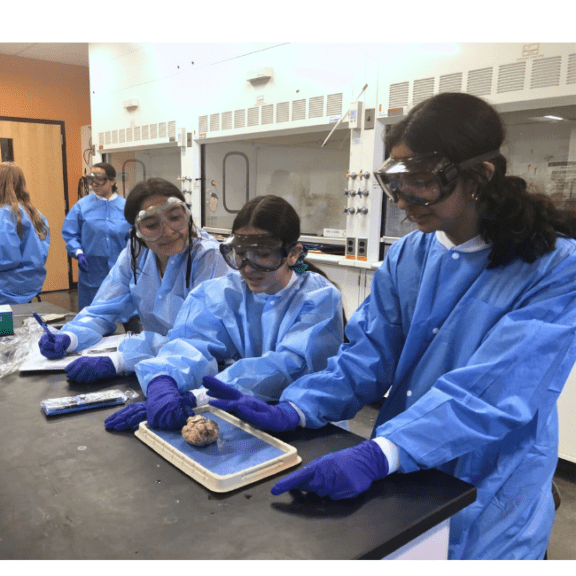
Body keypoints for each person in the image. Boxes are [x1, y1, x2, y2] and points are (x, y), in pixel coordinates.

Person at [199, 93, 576, 560]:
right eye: (394, 182)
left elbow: (493, 392)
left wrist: (381, 453)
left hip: (492, 487)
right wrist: (298, 408)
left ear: (480, 175)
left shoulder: (556, 267)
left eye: (419, 180)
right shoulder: (410, 255)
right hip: (403, 470)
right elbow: (367, 356)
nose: (402, 200)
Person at [104, 194, 344, 432]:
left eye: (262, 255)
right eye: (240, 254)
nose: (248, 268)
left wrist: (196, 398)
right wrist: (163, 380)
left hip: (301, 418)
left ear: (292, 253)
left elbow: (285, 368)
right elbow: (191, 344)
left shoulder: (319, 298)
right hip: (241, 412)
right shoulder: (223, 291)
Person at [39, 177, 229, 381]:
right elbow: (103, 307)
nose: (168, 232)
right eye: (152, 225)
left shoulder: (209, 258)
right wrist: (72, 337)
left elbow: (198, 339)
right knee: (3, 324)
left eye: (175, 217)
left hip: (201, 372)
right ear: (137, 232)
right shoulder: (136, 253)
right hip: (150, 367)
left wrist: (122, 360)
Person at [62, 162, 132, 310]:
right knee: (92, 315)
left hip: (121, 269)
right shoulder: (83, 206)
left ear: (113, 181)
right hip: (92, 271)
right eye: (90, 179)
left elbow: (135, 238)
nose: (94, 184)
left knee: (127, 313)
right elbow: (70, 233)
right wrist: (78, 252)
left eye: (99, 179)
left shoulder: (126, 207)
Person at [0, 162, 50, 304]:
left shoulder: (5, 214)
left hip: (6, 288)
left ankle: (6, 327)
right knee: (17, 323)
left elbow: (7, 258)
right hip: (30, 283)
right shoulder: (35, 214)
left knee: (6, 325)